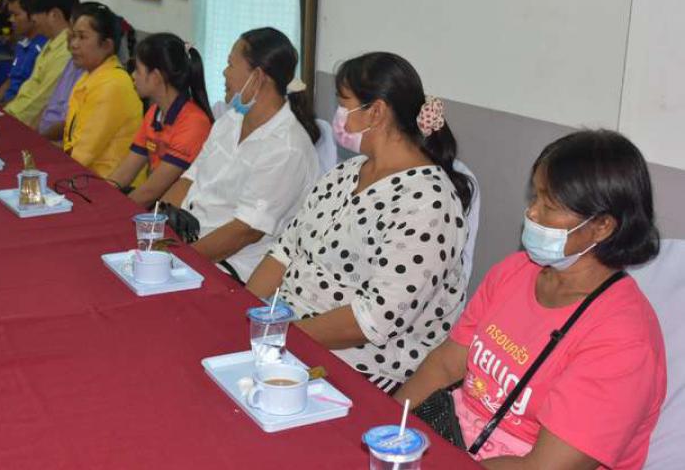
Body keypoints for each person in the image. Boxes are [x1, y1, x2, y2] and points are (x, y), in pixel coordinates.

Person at [394, 130, 666, 469]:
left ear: (602, 226)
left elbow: (542, 467)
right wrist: (388, 423)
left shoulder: (624, 342)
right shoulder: (515, 272)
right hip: (455, 438)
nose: (532, 213)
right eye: (535, 197)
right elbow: (445, 364)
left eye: (548, 205)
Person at [246, 52, 473, 393]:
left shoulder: (429, 203)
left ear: (376, 112)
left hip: (359, 363)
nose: (338, 117)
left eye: (343, 105)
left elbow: (375, 318)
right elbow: (285, 251)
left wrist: (281, 337)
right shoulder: (345, 173)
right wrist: (245, 315)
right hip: (289, 334)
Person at [161, 27, 321, 284]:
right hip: (187, 243)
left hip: (231, 266)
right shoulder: (230, 120)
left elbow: (244, 232)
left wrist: (175, 260)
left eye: (231, 64)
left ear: (257, 77)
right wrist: (156, 226)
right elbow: (189, 180)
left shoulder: (287, 148)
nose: (224, 72)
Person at [106, 33, 214, 208]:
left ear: (156, 77)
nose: (133, 75)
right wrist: (100, 198)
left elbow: (152, 191)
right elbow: (125, 172)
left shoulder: (194, 123)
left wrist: (114, 211)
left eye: (138, 70)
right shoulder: (154, 112)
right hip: (157, 204)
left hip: (180, 209)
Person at [61, 2, 143, 178]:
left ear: (106, 45)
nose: (73, 44)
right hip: (85, 174)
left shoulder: (112, 85)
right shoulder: (89, 76)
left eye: (82, 37)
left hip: (109, 183)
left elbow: (82, 155)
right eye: (73, 36)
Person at [4, 0, 77, 129]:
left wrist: (8, 120)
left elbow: (40, 100)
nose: (34, 19)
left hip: (24, 125)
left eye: (36, 13)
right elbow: (30, 88)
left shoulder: (66, 51)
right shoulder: (51, 43)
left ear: (54, 15)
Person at [0, 0, 47, 104]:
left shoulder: (44, 48)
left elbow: (32, 95)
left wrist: (2, 109)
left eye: (15, 15)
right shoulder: (21, 45)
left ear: (33, 15)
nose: (11, 20)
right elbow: (11, 80)